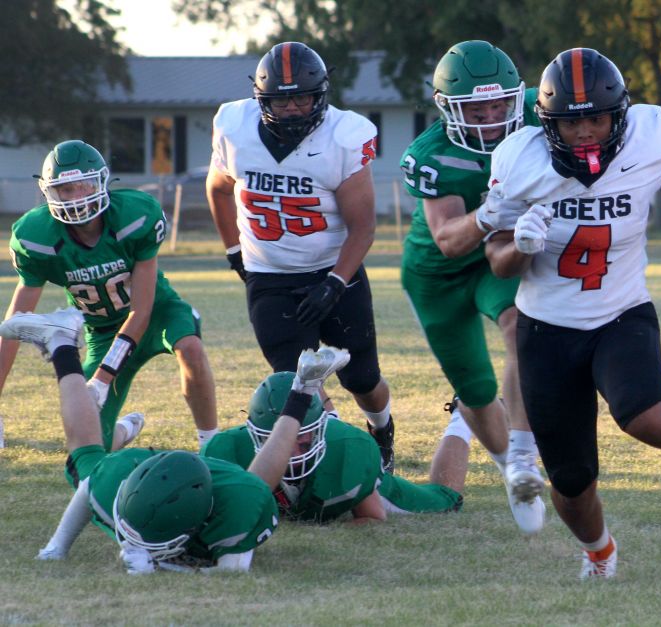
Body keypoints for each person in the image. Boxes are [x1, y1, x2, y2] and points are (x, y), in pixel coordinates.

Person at [485, 48, 661, 579]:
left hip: (621, 311)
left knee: (644, 414)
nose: (587, 131)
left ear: (619, 114)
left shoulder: (649, 134)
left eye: (597, 117)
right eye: (573, 122)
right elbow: (498, 261)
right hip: (545, 328)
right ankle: (599, 551)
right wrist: (520, 245)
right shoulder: (519, 160)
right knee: (570, 482)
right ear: (550, 123)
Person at [0, 306, 351, 573]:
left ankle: (302, 390)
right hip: (138, 465)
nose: (132, 544)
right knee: (87, 460)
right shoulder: (113, 481)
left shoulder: (239, 511)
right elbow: (90, 486)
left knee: (256, 486)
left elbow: (230, 571)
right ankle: (62, 342)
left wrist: (157, 566)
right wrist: (56, 548)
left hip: (233, 492)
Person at [206, 41, 395, 473]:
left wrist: (335, 282)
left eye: (302, 96)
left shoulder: (343, 137)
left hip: (333, 270)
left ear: (320, 94)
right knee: (299, 381)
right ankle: (334, 455)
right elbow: (218, 189)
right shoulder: (234, 126)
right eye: (281, 98)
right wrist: (234, 250)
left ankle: (381, 429)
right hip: (269, 275)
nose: (292, 108)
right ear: (261, 99)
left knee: (362, 380)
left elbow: (363, 227)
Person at [399, 40, 545, 534]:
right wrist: (489, 212)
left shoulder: (536, 111)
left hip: (493, 259)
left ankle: (524, 457)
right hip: (438, 275)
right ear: (447, 108)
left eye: (499, 103)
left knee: (520, 326)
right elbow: (446, 241)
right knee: (476, 389)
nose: (489, 115)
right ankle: (509, 469)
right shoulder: (430, 154)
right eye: (475, 107)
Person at [1, 140, 218, 451]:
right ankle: (123, 432)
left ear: (101, 183)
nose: (77, 198)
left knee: (191, 348)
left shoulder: (135, 216)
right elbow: (15, 326)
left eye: (85, 186)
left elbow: (140, 312)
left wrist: (102, 379)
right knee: (89, 442)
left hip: (156, 312)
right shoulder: (35, 237)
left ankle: (211, 441)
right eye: (67, 189)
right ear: (51, 192)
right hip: (102, 332)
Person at [202, 372, 467, 523]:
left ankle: (463, 415)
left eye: (303, 440)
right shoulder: (227, 452)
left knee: (444, 502)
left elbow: (372, 518)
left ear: (320, 431)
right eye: (280, 440)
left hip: (342, 467)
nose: (292, 454)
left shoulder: (348, 451)